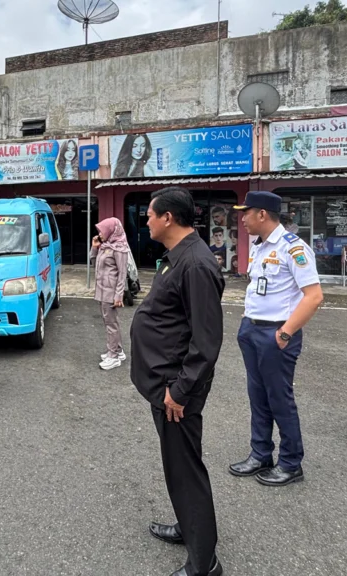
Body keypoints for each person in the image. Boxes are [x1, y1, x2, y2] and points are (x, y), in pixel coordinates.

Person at [130, 187, 225, 576]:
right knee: (177, 466)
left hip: (177, 389)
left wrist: (180, 390)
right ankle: (189, 528)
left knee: (186, 470)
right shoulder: (177, 257)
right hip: (165, 383)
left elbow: (206, 340)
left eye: (150, 214)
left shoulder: (197, 264)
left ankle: (205, 563)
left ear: (168, 218)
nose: (146, 220)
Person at [229, 191, 324, 487]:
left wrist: (285, 333)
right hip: (251, 329)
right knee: (258, 397)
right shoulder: (259, 247)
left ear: (262, 214)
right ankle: (261, 454)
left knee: (279, 399)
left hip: (276, 333)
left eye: (246, 212)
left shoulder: (292, 248)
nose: (242, 218)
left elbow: (314, 296)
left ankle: (291, 462)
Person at [91, 217, 130, 371]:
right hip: (102, 289)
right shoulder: (105, 245)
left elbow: (122, 274)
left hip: (111, 292)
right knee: (109, 322)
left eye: (102, 231)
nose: (100, 233)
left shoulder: (120, 248)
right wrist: (94, 247)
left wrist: (118, 296)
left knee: (111, 324)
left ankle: (113, 356)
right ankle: (118, 351)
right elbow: (94, 264)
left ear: (111, 231)